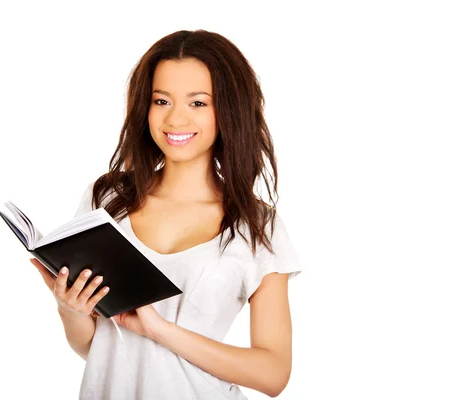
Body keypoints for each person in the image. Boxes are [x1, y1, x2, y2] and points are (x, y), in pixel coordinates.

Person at [30, 29, 302, 400]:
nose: (175, 119)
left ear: (229, 109)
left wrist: (160, 330)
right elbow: (97, 350)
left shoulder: (255, 225)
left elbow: (273, 375)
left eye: (198, 103)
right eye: (161, 101)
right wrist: (71, 310)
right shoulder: (108, 199)